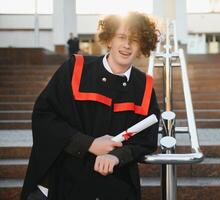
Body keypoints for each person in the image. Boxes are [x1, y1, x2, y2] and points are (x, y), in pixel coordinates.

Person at [21, 12, 160, 200]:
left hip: (115, 187)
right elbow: (44, 116)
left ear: (142, 45)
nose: (127, 45)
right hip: (66, 182)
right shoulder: (76, 69)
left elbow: (147, 140)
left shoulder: (144, 86)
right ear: (109, 40)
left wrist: (118, 156)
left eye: (134, 40)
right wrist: (89, 144)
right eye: (121, 37)